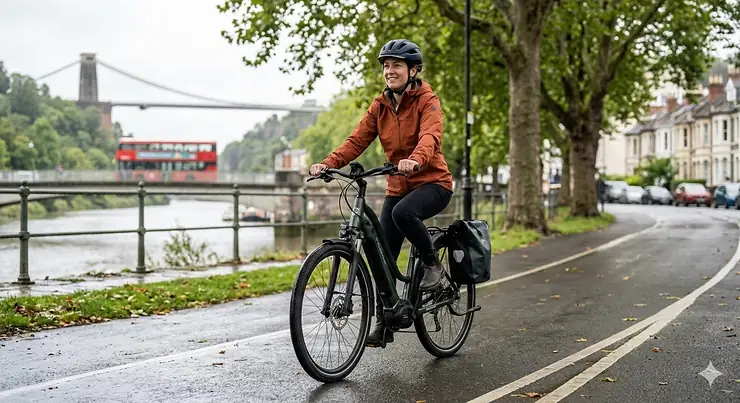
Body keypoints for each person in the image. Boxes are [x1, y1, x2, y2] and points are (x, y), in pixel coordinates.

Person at [309, 39, 454, 346]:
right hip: (398, 184)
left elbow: (431, 135)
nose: (390, 71)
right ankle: (385, 322)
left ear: (413, 70)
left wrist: (416, 159)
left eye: (396, 65)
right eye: (386, 66)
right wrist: (328, 163)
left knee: (404, 213)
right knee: (381, 258)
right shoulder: (381, 105)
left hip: (433, 182)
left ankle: (433, 266)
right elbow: (357, 140)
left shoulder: (428, 100)